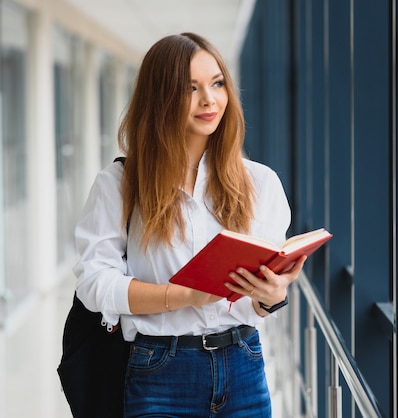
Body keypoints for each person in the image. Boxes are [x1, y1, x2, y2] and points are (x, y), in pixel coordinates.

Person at [72, 32, 306, 417]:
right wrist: (183, 295)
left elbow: (259, 301)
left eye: (216, 83)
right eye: (190, 88)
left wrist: (272, 292)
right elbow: (94, 284)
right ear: (160, 98)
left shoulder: (260, 183)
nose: (209, 99)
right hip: (160, 371)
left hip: (243, 364)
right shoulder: (120, 185)